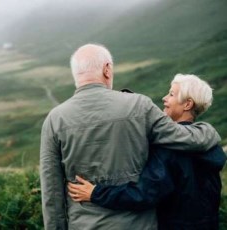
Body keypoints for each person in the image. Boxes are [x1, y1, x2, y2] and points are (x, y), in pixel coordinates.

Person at [40, 44, 221, 230]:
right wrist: (209, 131)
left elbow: (51, 193)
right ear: (107, 69)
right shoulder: (139, 106)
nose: (166, 98)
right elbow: (184, 138)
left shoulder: (54, 120)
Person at [67, 74, 226, 229]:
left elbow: (144, 194)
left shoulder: (170, 149)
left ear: (187, 104)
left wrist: (95, 193)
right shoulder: (210, 145)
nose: (164, 98)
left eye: (171, 94)